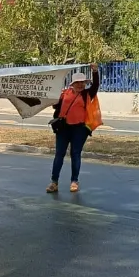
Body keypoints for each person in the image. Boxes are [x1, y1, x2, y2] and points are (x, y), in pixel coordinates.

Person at [47, 63, 100, 194]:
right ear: (72, 84)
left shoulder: (87, 94)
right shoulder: (64, 94)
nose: (80, 85)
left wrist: (95, 72)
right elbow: (54, 104)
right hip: (63, 129)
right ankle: (54, 182)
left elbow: (95, 85)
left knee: (75, 154)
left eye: (82, 82)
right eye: (77, 82)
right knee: (59, 154)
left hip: (79, 129)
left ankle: (74, 181)